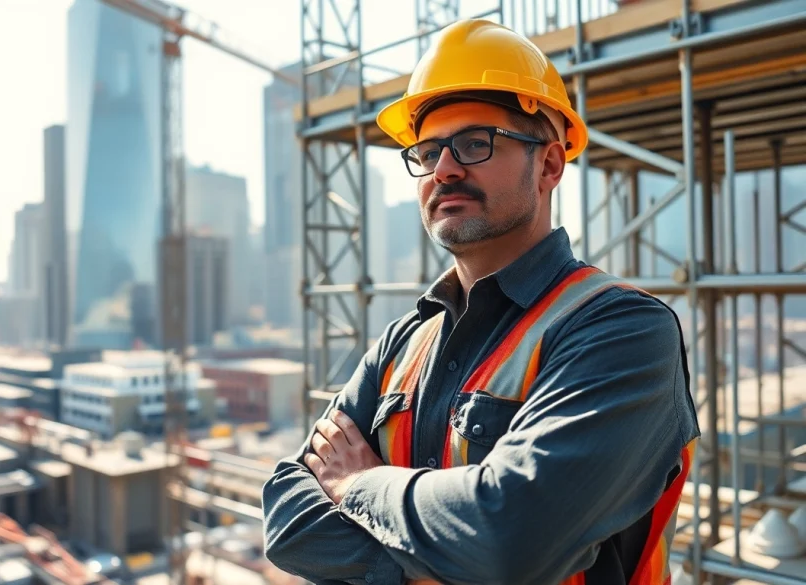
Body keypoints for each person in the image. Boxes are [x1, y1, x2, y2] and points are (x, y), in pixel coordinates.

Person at [261, 18, 700, 585]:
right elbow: (288, 519)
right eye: (427, 150)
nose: (443, 169)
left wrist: (360, 485)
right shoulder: (405, 342)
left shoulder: (622, 330)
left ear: (547, 165)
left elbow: (511, 537)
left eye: (474, 143)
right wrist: (438, 564)